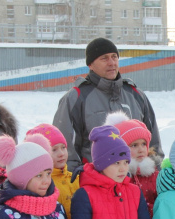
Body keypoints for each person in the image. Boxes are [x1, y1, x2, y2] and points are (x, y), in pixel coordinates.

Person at [53, 37, 162, 171]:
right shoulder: (76, 98)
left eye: (114, 57)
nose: (111, 63)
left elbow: (154, 146)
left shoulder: (136, 95)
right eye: (104, 58)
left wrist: (154, 177)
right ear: (90, 65)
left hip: (136, 186)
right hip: (95, 184)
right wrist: (78, 183)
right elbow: (65, 150)